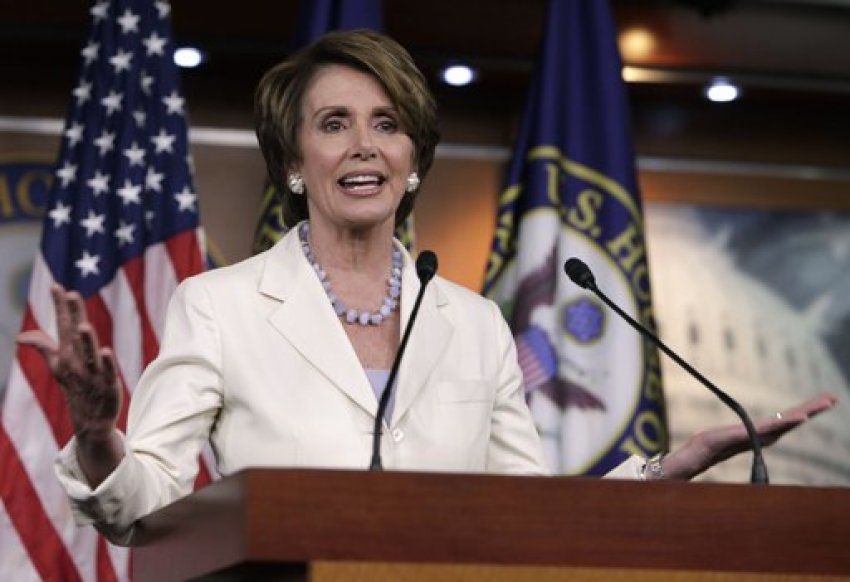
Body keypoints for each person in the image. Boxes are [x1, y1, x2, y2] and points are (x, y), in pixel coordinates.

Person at [18, 30, 837, 545]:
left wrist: (667, 470)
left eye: (387, 123)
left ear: (413, 162)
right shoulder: (221, 304)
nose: (364, 146)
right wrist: (97, 433)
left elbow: (528, 515)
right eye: (334, 124)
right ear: (295, 165)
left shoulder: (474, 323)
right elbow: (139, 507)